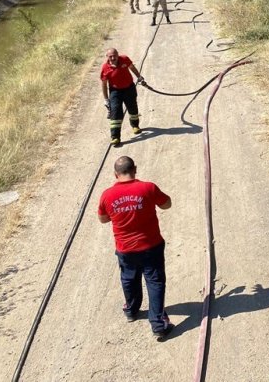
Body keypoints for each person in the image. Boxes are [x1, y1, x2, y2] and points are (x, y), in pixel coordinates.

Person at [97, 156, 174, 340]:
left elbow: (103, 218)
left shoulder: (107, 195)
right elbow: (167, 204)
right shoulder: (148, 188)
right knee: (154, 282)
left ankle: (131, 310)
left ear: (115, 174)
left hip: (125, 249)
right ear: (135, 169)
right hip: (151, 246)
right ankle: (158, 325)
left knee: (129, 279)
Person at [100, 48, 144, 146]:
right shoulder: (105, 68)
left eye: (114, 55)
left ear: (118, 55)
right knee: (115, 112)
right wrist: (106, 99)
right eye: (110, 56)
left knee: (132, 108)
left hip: (129, 88)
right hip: (115, 92)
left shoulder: (124, 59)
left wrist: (139, 77)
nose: (113, 58)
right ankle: (115, 137)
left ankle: (135, 126)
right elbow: (104, 84)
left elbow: (132, 68)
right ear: (107, 57)